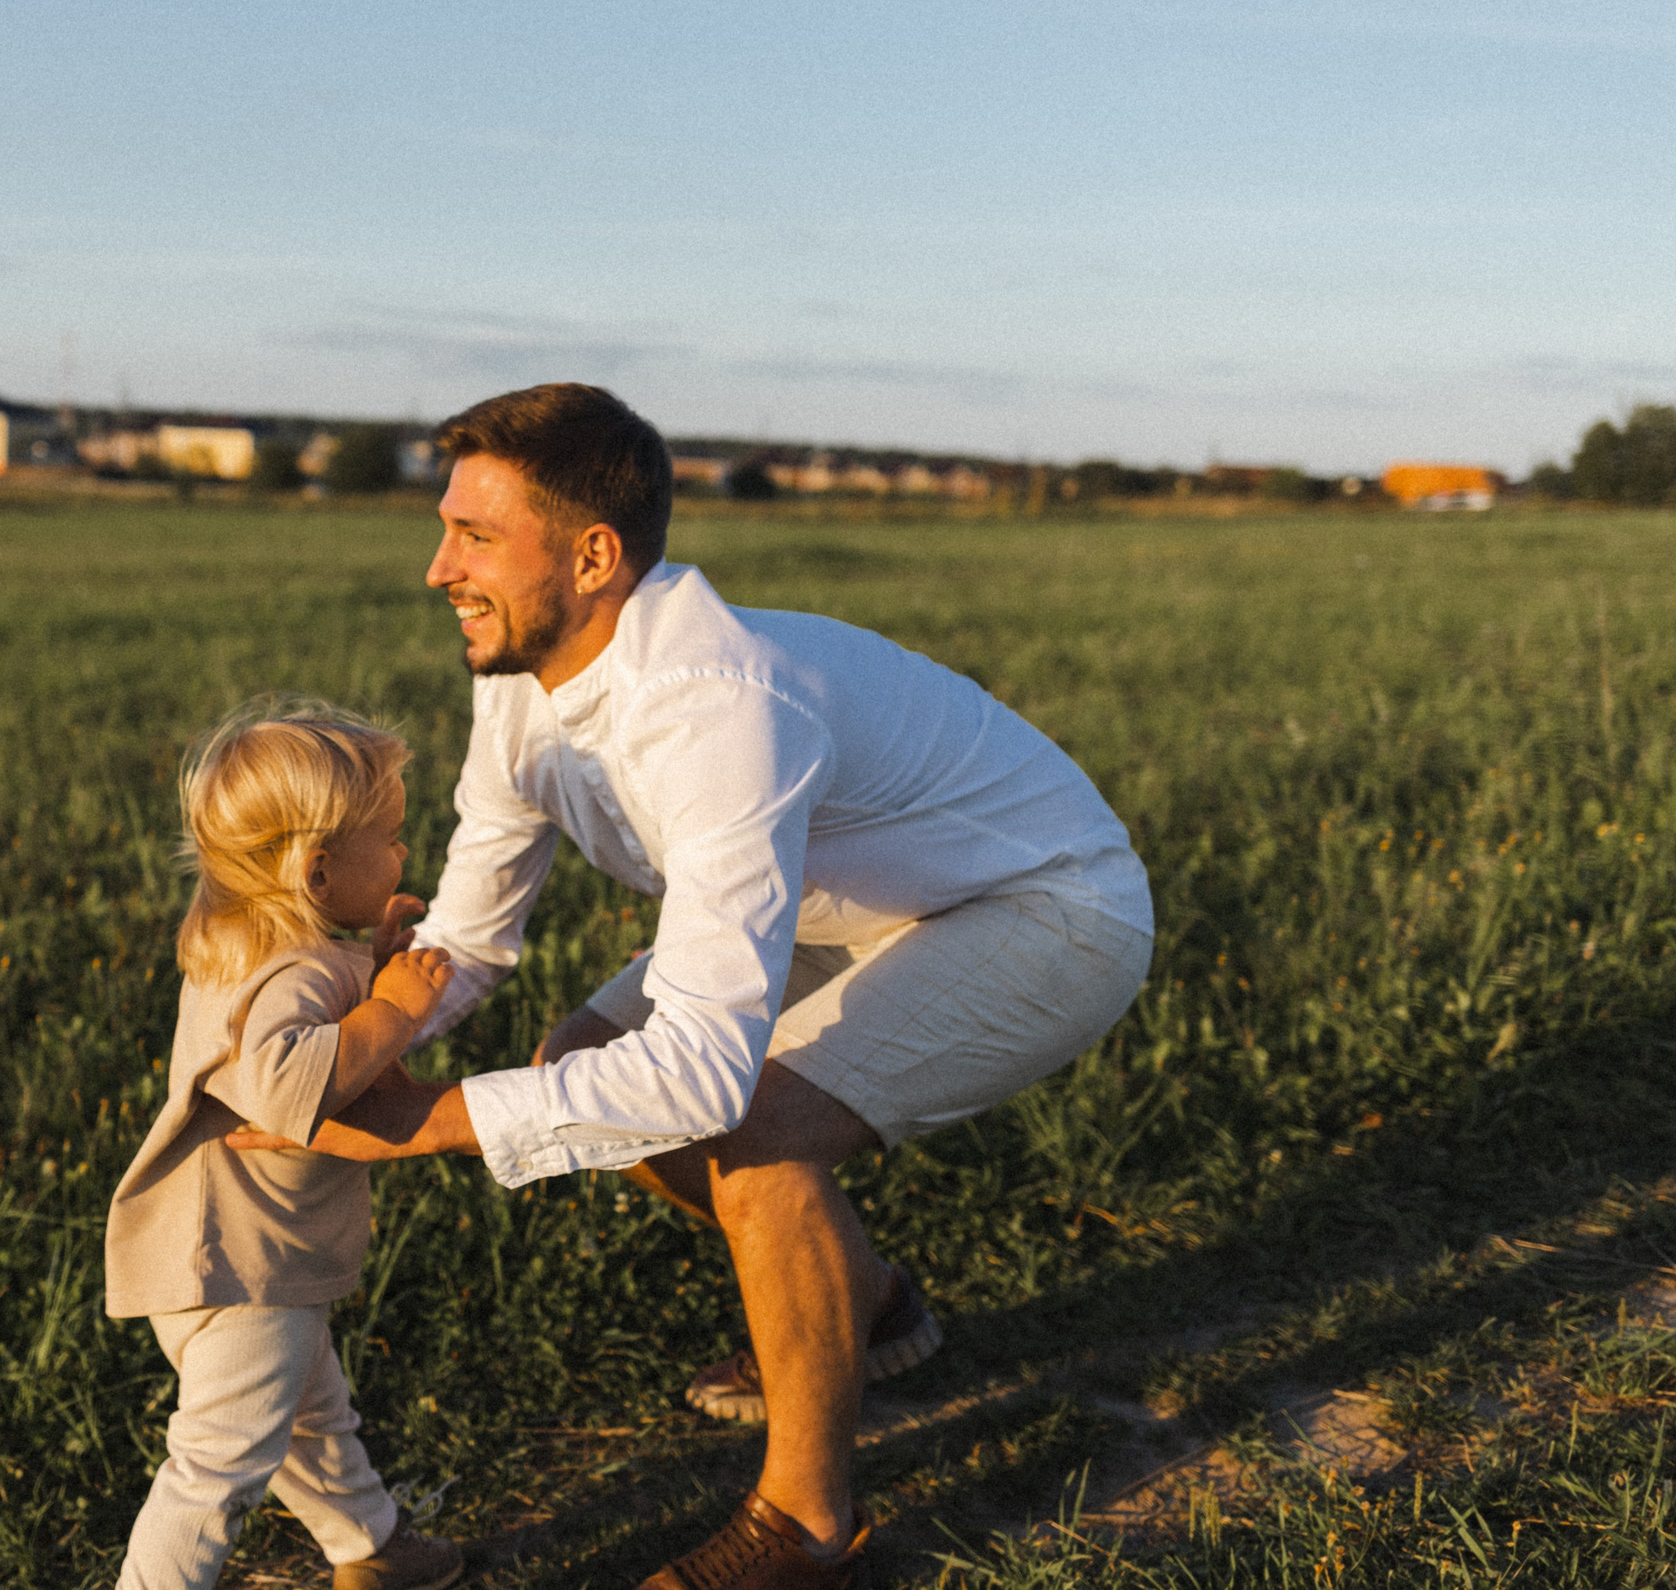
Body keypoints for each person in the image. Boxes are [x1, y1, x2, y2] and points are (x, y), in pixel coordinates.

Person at [231, 385, 1153, 1590]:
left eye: (473, 537)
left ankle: (806, 1532)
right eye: (445, 528)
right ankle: (866, 1307)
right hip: (858, 899)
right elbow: (469, 933)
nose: (435, 568)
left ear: (593, 556)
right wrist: (338, 1055)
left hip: (1045, 910)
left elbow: (705, 1074)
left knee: (746, 1129)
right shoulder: (519, 681)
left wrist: (421, 1124)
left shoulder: (722, 706)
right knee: (585, 1067)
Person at [105, 701, 468, 1590]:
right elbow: (283, 1083)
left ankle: (371, 1547)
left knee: (311, 1412)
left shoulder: (263, 948)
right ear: (316, 870)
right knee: (216, 1470)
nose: (402, 852)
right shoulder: (293, 970)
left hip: (243, 1254)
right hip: (242, 1268)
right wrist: (393, 1010)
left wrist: (373, 963)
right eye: (389, 835)